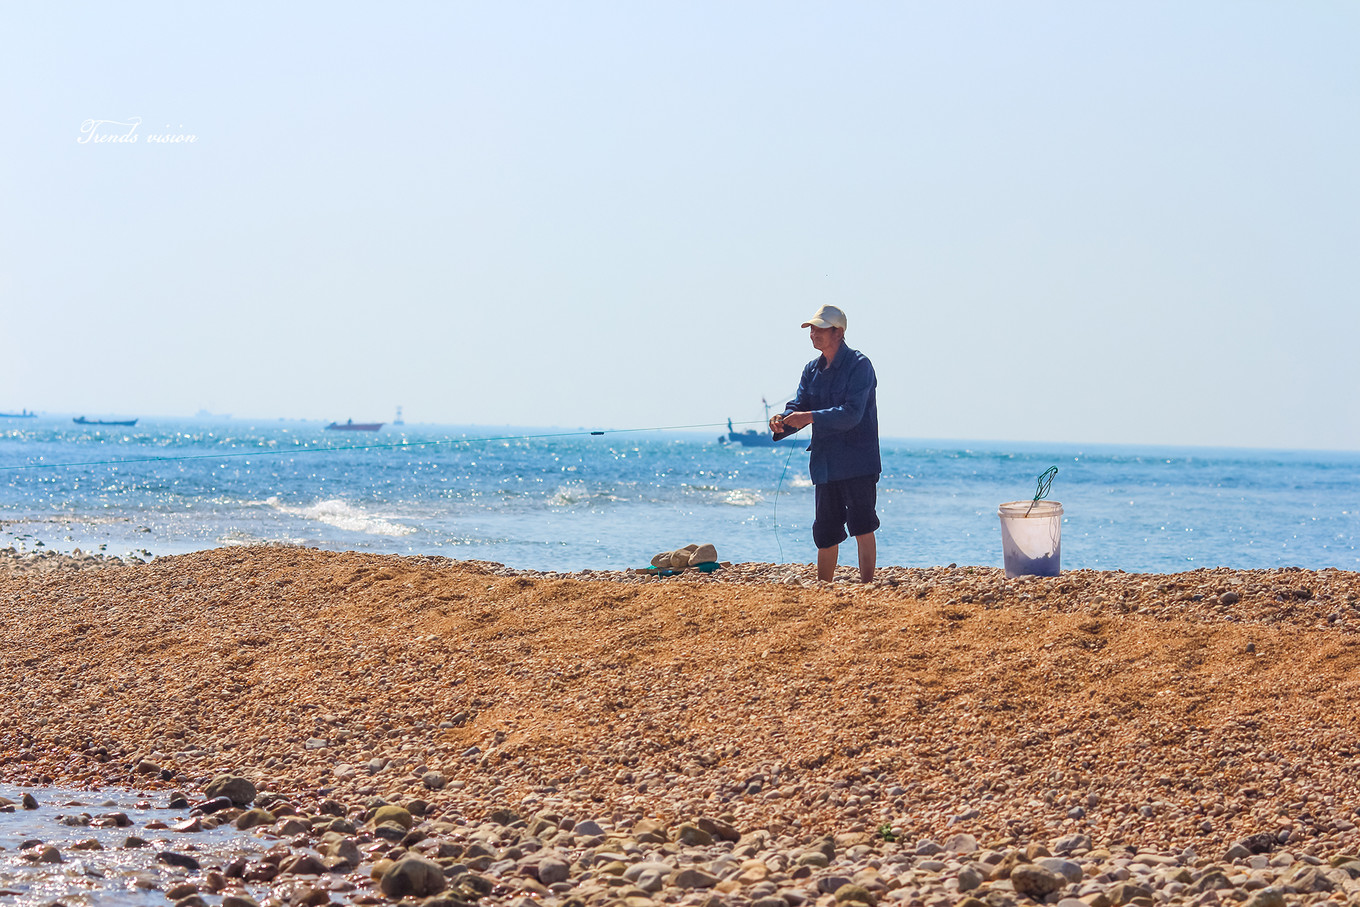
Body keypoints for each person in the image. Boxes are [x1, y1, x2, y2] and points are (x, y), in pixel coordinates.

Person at [769, 304, 881, 583]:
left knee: (862, 526)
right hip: (826, 463)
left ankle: (868, 587)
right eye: (811, 329)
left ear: (838, 332)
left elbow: (852, 414)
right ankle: (823, 588)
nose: (813, 334)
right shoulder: (811, 369)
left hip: (858, 462)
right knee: (825, 531)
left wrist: (808, 417)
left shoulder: (860, 365)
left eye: (820, 329)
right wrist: (782, 420)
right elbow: (799, 405)